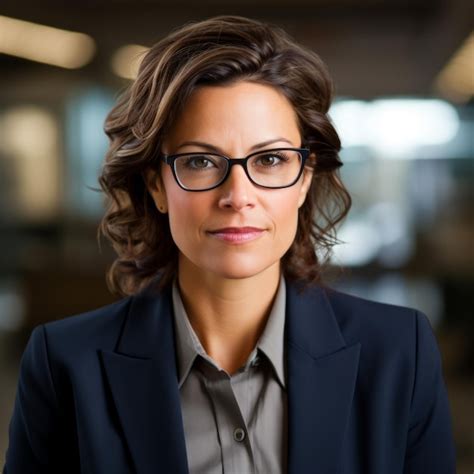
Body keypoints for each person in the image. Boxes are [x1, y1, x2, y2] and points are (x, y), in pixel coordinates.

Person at [4, 15, 456, 474]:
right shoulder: (64, 365)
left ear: (304, 179)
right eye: (201, 161)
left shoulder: (400, 353)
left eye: (271, 159)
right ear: (156, 185)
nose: (238, 197)